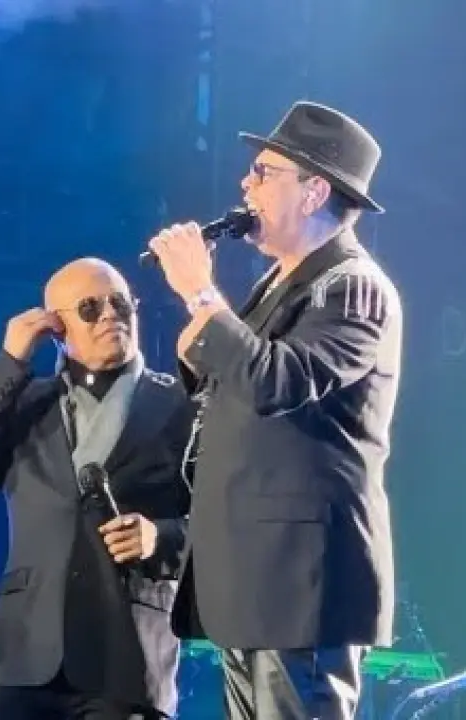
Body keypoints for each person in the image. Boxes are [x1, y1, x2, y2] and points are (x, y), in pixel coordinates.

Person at [145, 101, 402, 720]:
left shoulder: (354, 285)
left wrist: (201, 294)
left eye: (263, 172)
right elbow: (236, 379)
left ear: (315, 192)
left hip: (301, 580)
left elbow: (278, 382)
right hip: (256, 576)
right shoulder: (278, 283)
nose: (245, 184)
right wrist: (199, 348)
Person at [0, 258, 193, 720]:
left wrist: (161, 537)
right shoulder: (27, 404)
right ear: (57, 328)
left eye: (120, 304)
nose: (110, 315)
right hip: (22, 657)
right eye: (90, 308)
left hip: (127, 655)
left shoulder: (181, 405)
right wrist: (11, 361)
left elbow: (225, 522)